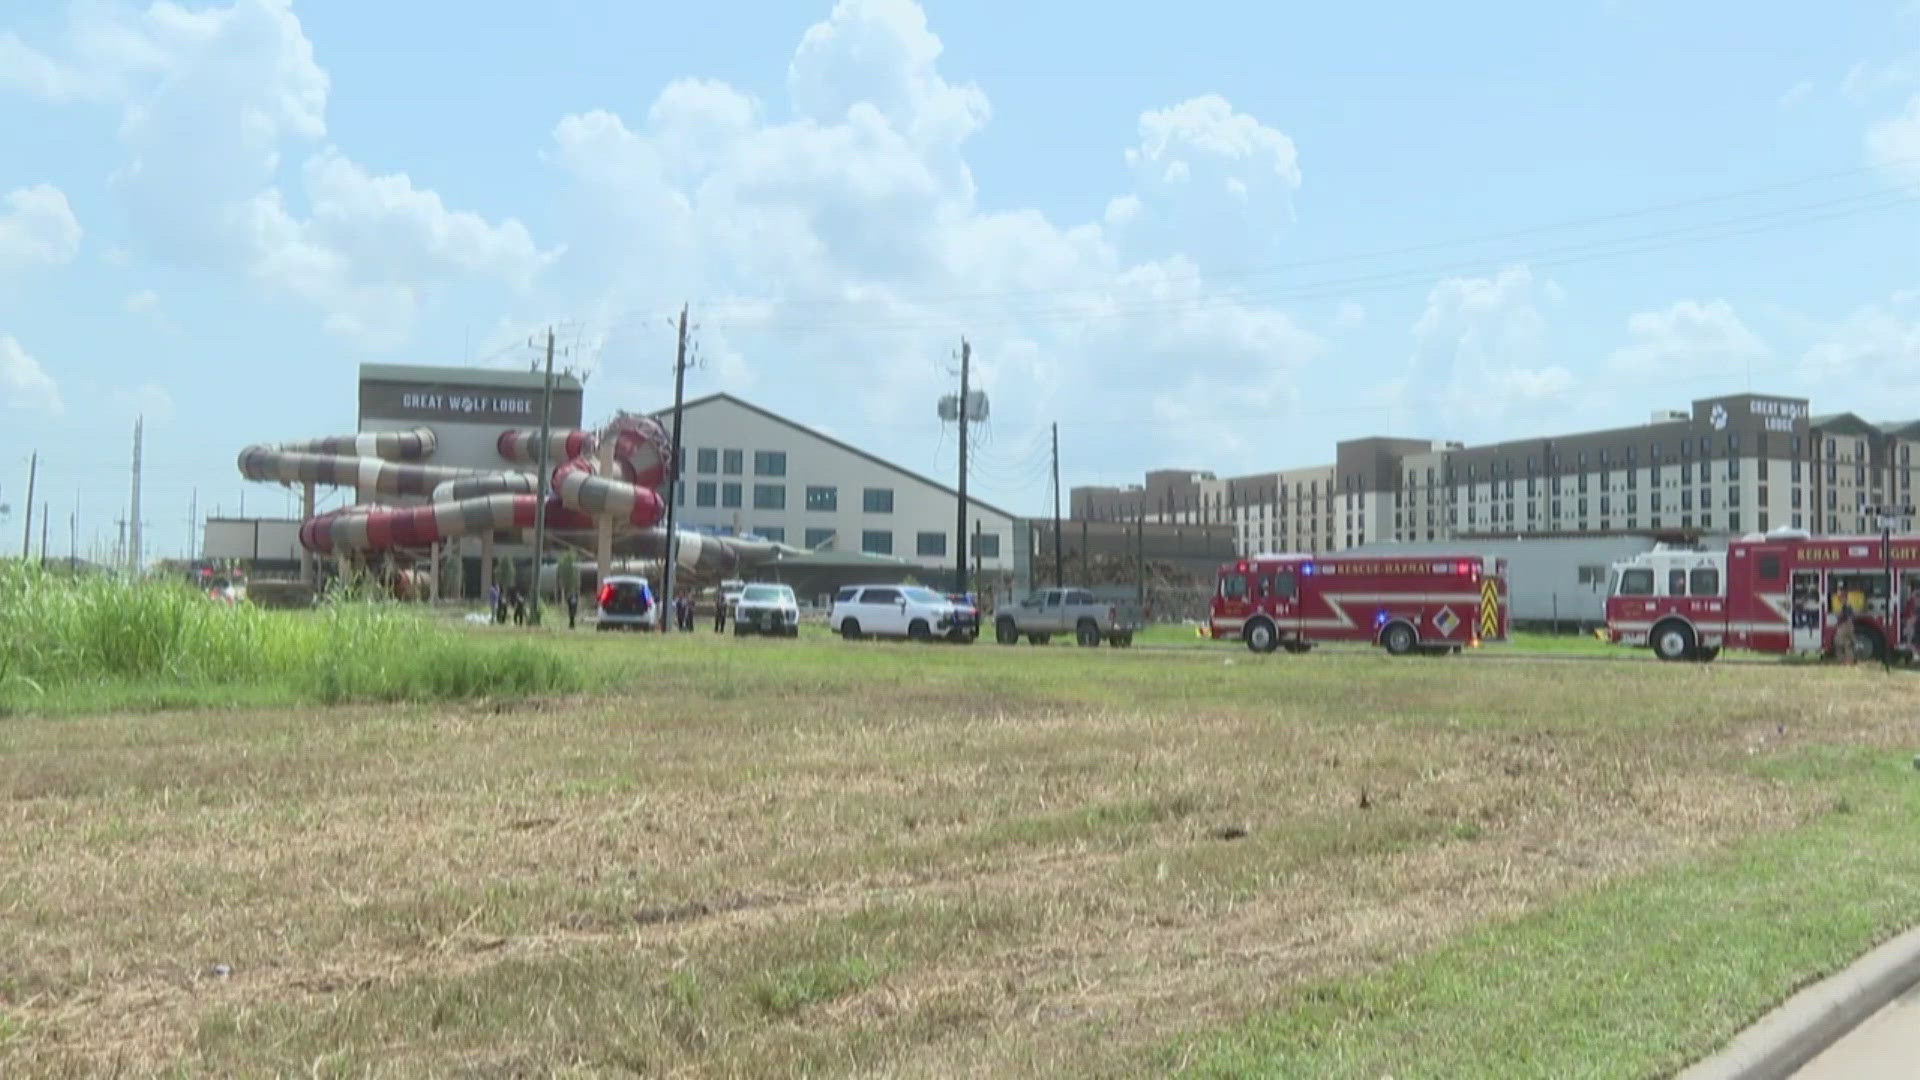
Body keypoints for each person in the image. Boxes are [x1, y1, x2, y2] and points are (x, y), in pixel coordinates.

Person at [1834, 593, 1857, 665]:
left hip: (1845, 626)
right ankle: (1848, 660)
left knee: (1840, 643)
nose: (1840, 600)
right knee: (1846, 644)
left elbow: (1848, 618)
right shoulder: (1846, 606)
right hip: (1845, 625)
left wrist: (1848, 629)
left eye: (1841, 598)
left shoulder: (1847, 606)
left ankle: (1845, 661)